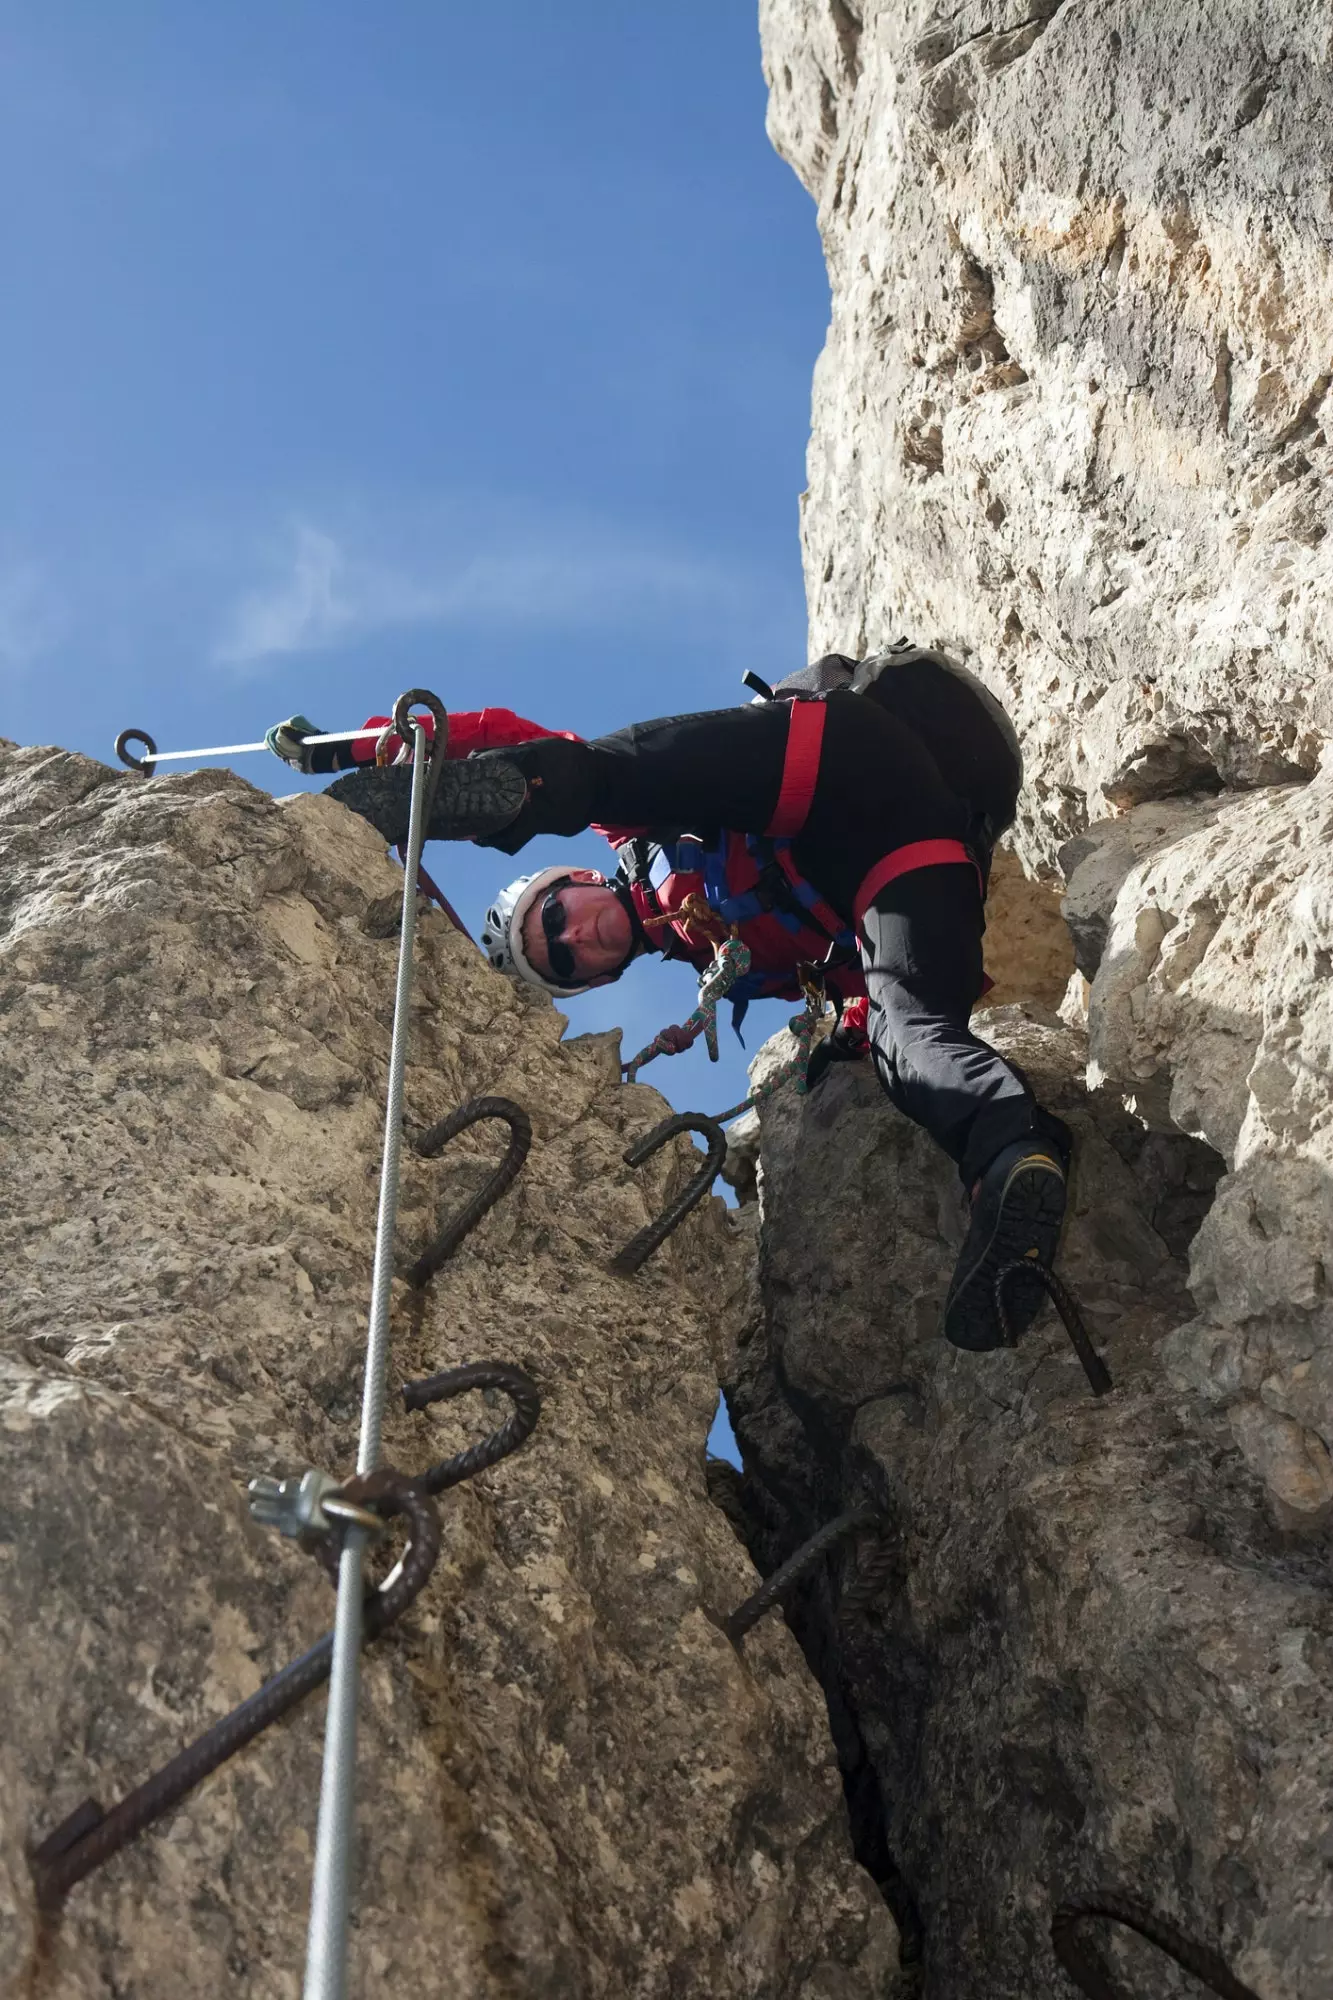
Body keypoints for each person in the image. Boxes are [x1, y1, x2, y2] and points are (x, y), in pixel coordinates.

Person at [268, 646, 1071, 1351]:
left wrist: (361, 750)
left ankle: (452, 794)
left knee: (594, 778)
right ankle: (1010, 1158)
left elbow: (516, 735)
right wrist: (854, 1027)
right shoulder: (744, 971)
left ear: (577, 881)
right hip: (913, 842)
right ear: (599, 983)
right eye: (563, 963)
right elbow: (867, 986)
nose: (574, 940)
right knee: (910, 1031)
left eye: (556, 918)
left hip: (831, 760)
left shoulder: (635, 837)